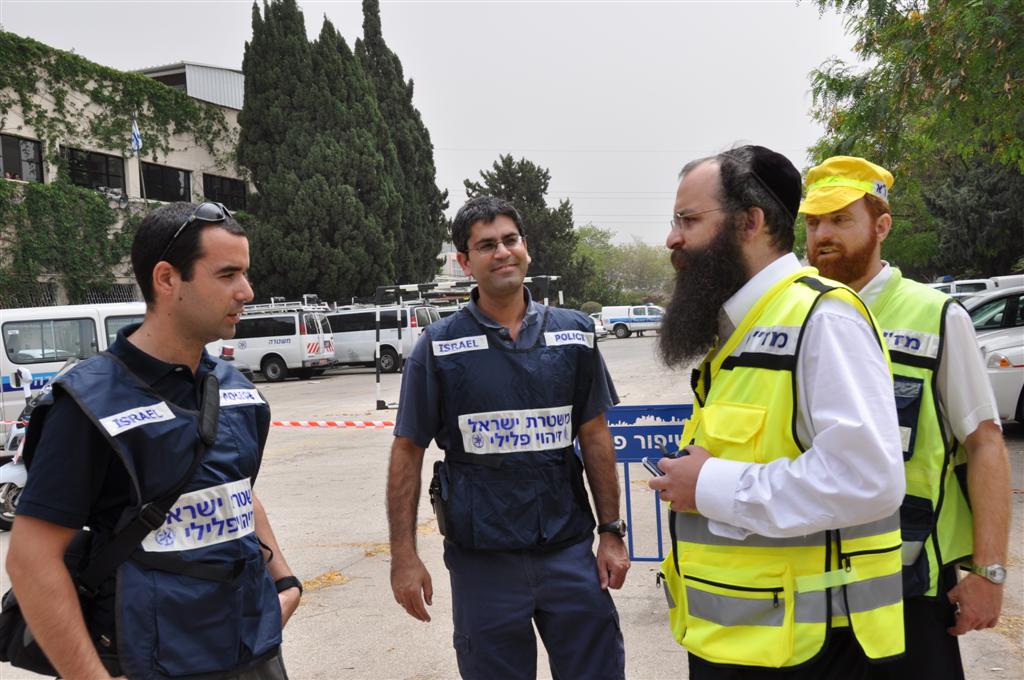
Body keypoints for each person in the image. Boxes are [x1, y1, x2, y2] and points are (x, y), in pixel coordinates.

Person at [6, 201, 300, 680]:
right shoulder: (87, 405)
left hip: (253, 648)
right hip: (155, 660)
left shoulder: (238, 391)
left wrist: (285, 583)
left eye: (244, 274)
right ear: (167, 279)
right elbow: (31, 561)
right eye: (227, 275)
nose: (246, 291)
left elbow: (237, 493)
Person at [648, 145, 907, 678]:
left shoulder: (822, 319)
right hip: (747, 643)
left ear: (751, 222)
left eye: (688, 220)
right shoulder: (744, 328)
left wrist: (712, 486)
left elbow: (869, 479)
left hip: (813, 650)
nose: (673, 238)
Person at [387, 196, 629, 680]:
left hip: (567, 551)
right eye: (486, 245)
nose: (502, 253)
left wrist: (611, 532)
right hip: (484, 563)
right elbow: (407, 452)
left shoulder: (575, 334)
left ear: (527, 249)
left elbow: (596, 435)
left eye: (510, 240)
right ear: (464, 261)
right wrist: (404, 556)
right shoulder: (438, 347)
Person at [800, 156, 1010, 680]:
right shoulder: (794, 313)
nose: (822, 235)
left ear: (882, 225)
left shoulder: (936, 316)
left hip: (910, 586)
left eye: (840, 220)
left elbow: (984, 445)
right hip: (807, 583)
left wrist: (988, 572)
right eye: (812, 222)